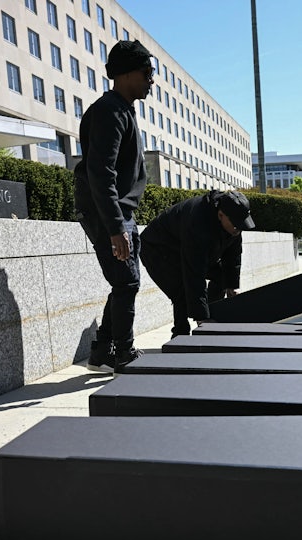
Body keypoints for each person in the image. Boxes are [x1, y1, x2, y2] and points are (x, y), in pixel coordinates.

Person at [74, 40, 155, 373]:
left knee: (125, 282)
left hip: (120, 213)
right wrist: (115, 225)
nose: (152, 80)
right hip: (109, 213)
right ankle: (122, 353)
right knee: (127, 282)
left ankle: (103, 351)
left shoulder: (122, 109)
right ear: (124, 74)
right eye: (147, 72)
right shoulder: (110, 110)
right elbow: (100, 171)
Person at [140, 190, 255, 337]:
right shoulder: (198, 221)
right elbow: (194, 273)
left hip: (189, 248)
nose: (238, 230)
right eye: (236, 226)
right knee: (181, 291)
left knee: (222, 278)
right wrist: (201, 316)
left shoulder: (233, 223)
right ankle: (180, 335)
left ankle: (214, 314)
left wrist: (231, 285)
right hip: (157, 249)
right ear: (220, 215)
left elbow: (233, 254)